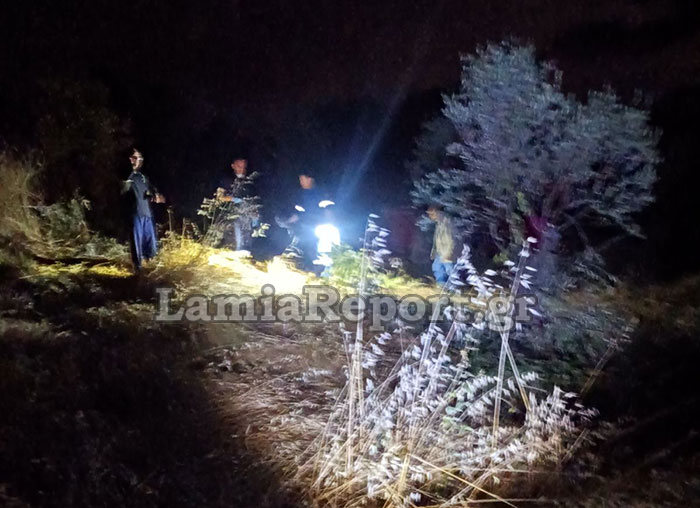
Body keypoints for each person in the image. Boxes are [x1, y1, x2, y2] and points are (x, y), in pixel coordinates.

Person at [122, 149, 165, 271]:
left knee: (151, 247)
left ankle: (151, 270)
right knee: (137, 246)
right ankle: (137, 270)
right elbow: (123, 191)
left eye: (140, 158)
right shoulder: (128, 176)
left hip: (147, 215)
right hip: (136, 215)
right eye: (136, 158)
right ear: (130, 159)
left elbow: (150, 190)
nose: (139, 160)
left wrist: (155, 195)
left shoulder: (142, 176)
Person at [215, 158, 260, 251]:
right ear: (233, 166)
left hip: (246, 215)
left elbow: (254, 200)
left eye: (244, 167)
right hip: (229, 215)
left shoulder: (250, 181)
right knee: (235, 227)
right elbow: (220, 197)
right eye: (239, 167)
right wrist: (234, 199)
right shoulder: (227, 180)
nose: (242, 170)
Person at [427, 204, 456, 284]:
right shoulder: (439, 223)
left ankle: (453, 289)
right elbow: (436, 238)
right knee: (438, 270)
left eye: (432, 214)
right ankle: (441, 287)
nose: (430, 216)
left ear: (438, 213)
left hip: (446, 253)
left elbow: (452, 239)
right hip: (439, 253)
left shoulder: (448, 222)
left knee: (451, 273)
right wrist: (433, 251)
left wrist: (449, 253)